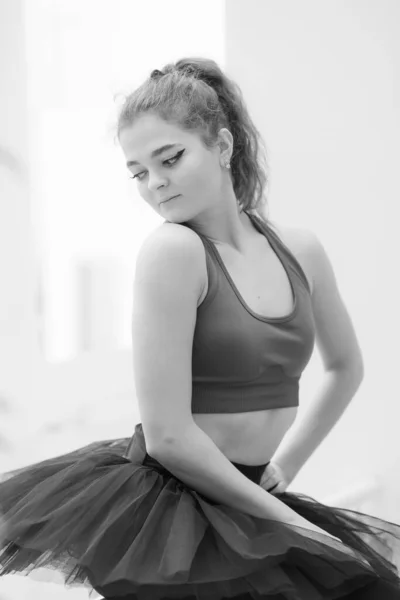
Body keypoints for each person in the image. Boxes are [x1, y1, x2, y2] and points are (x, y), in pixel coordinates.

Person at [0, 57, 400, 600]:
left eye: (170, 158)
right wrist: (289, 523)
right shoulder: (173, 251)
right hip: (172, 511)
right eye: (139, 172)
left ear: (224, 146)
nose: (155, 185)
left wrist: (286, 467)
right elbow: (168, 437)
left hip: (248, 496)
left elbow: (346, 367)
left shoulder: (299, 249)